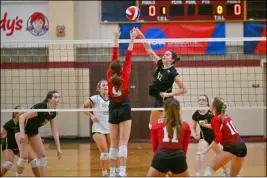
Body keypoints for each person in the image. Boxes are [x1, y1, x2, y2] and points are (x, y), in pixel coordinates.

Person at [136, 29, 187, 129]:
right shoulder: (160, 63)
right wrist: (142, 35)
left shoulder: (173, 72)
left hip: (168, 101)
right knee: (152, 125)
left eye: (167, 54)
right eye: (164, 54)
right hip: (158, 99)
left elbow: (184, 89)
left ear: (172, 60)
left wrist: (168, 94)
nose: (164, 55)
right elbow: (149, 50)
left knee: (173, 125)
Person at [106, 27, 138, 177]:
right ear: (121, 69)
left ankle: (112, 172)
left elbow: (114, 55)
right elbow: (129, 56)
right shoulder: (125, 74)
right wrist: (132, 38)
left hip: (112, 108)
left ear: (111, 70)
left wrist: (115, 37)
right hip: (124, 107)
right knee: (123, 143)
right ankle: (123, 172)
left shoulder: (108, 76)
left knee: (113, 143)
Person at [15, 91, 62, 177]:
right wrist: (22, 132)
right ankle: (18, 175)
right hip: (22, 129)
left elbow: (54, 130)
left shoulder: (53, 112)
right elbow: (22, 117)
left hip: (33, 131)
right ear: (49, 99)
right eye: (55, 97)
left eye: (59, 97)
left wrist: (58, 148)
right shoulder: (40, 108)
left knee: (43, 157)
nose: (58, 99)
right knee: (24, 157)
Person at [200, 97, 247, 176]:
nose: (209, 104)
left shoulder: (215, 119)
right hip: (242, 147)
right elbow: (218, 126)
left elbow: (218, 138)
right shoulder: (225, 116)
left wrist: (206, 150)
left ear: (213, 108)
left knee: (208, 171)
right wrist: (205, 125)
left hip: (232, 147)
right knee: (233, 176)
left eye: (210, 103)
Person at [82, 80, 120, 176]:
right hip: (98, 128)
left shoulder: (113, 98)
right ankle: (104, 173)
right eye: (103, 85)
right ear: (99, 89)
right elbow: (83, 107)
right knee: (105, 153)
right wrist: (91, 116)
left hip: (110, 127)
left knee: (115, 151)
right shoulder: (95, 98)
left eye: (107, 85)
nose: (105, 86)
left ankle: (118, 171)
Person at [147, 98, 191, 177]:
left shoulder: (156, 125)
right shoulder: (185, 126)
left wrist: (163, 164)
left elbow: (154, 148)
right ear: (179, 110)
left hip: (161, 157)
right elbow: (184, 149)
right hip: (179, 158)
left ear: (165, 109)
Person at [192, 95, 228, 177]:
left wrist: (205, 125)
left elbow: (218, 124)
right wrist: (194, 134)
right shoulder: (196, 114)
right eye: (200, 100)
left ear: (207, 102)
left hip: (215, 138)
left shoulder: (212, 112)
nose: (201, 101)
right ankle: (197, 175)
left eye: (203, 100)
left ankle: (226, 172)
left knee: (222, 156)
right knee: (199, 153)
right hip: (204, 138)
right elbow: (193, 128)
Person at [1, 105, 40, 177]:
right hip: (9, 147)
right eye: (22, 112)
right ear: (16, 113)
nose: (24, 113)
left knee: (34, 162)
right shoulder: (9, 124)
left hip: (20, 147)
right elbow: (1, 134)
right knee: (8, 164)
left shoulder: (26, 123)